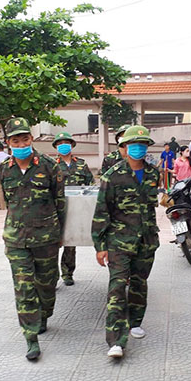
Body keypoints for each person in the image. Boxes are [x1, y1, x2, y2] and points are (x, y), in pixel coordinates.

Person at [0, 117, 65, 361]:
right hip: (16, 239)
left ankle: (45, 314)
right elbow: (8, 201)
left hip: (46, 237)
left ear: (31, 138)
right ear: (8, 143)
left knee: (47, 284)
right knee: (24, 287)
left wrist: (60, 235)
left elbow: (60, 203)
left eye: (24, 138)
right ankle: (31, 337)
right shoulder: (5, 168)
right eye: (15, 140)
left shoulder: (49, 166)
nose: (21, 143)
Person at [92, 125, 160, 358]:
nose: (138, 148)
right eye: (134, 145)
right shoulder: (112, 176)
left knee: (140, 283)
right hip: (119, 242)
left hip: (146, 240)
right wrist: (100, 246)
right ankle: (116, 340)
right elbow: (102, 211)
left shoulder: (153, 173)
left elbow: (151, 207)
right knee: (117, 287)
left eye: (143, 144)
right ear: (124, 147)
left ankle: (136, 322)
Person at [53, 132, 94, 286]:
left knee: (71, 242)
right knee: (53, 243)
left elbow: (90, 183)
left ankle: (67, 273)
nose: (63, 145)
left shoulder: (81, 164)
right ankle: (52, 277)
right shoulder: (51, 165)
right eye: (60, 143)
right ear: (56, 147)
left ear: (72, 145)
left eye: (66, 142)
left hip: (76, 209)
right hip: (57, 208)